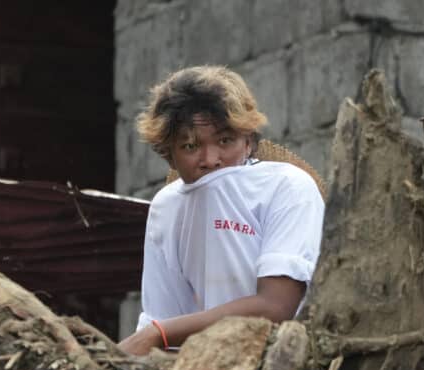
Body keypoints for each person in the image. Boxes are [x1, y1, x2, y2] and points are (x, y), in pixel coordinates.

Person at [118, 65, 325, 355]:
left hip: (286, 361)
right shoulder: (167, 208)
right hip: (198, 368)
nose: (211, 159)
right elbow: (162, 318)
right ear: (169, 156)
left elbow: (277, 306)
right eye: (190, 146)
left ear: (249, 142)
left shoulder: (287, 187)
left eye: (225, 141)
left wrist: (159, 334)